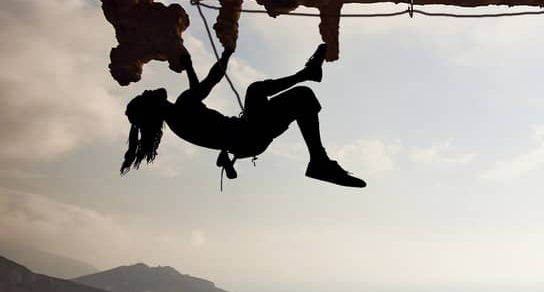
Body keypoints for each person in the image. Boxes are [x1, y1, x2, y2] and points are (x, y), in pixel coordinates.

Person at [120, 43, 366, 188]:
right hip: (248, 134)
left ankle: (308, 76)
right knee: (278, 93)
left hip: (247, 138)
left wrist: (192, 67)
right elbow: (209, 82)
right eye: (146, 94)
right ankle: (318, 161)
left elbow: (198, 89)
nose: (150, 89)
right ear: (152, 105)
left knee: (296, 97)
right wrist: (225, 55)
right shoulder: (181, 112)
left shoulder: (178, 117)